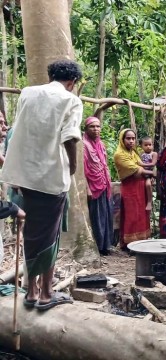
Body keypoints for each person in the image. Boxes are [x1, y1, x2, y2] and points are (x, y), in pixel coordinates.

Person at [1, 60, 83, 310]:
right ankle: (45, 294)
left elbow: (21, 132)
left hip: (24, 177)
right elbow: (70, 137)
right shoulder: (71, 100)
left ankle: (32, 290)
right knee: (49, 236)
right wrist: (72, 166)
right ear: (71, 83)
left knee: (33, 233)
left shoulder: (28, 93)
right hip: (50, 178)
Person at [114, 129, 153, 248]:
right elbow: (136, 171)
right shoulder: (119, 155)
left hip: (140, 187)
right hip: (130, 187)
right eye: (128, 138)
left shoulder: (133, 153)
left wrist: (145, 172)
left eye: (133, 138)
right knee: (131, 215)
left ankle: (141, 242)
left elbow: (140, 168)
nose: (131, 141)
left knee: (141, 214)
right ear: (122, 139)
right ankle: (130, 244)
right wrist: (154, 173)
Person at [83, 116, 114, 256]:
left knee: (106, 215)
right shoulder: (83, 145)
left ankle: (106, 245)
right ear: (86, 128)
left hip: (104, 184)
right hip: (93, 186)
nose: (96, 129)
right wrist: (87, 188)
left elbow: (104, 164)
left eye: (98, 126)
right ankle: (98, 246)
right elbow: (82, 170)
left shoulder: (100, 144)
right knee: (96, 216)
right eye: (92, 126)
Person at [138, 136, 157, 211]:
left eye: (150, 145)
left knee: (148, 184)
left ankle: (149, 201)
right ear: (141, 146)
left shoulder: (154, 154)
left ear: (152, 145)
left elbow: (153, 163)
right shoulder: (141, 154)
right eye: (145, 145)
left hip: (149, 174)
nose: (148, 147)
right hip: (141, 173)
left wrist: (142, 164)